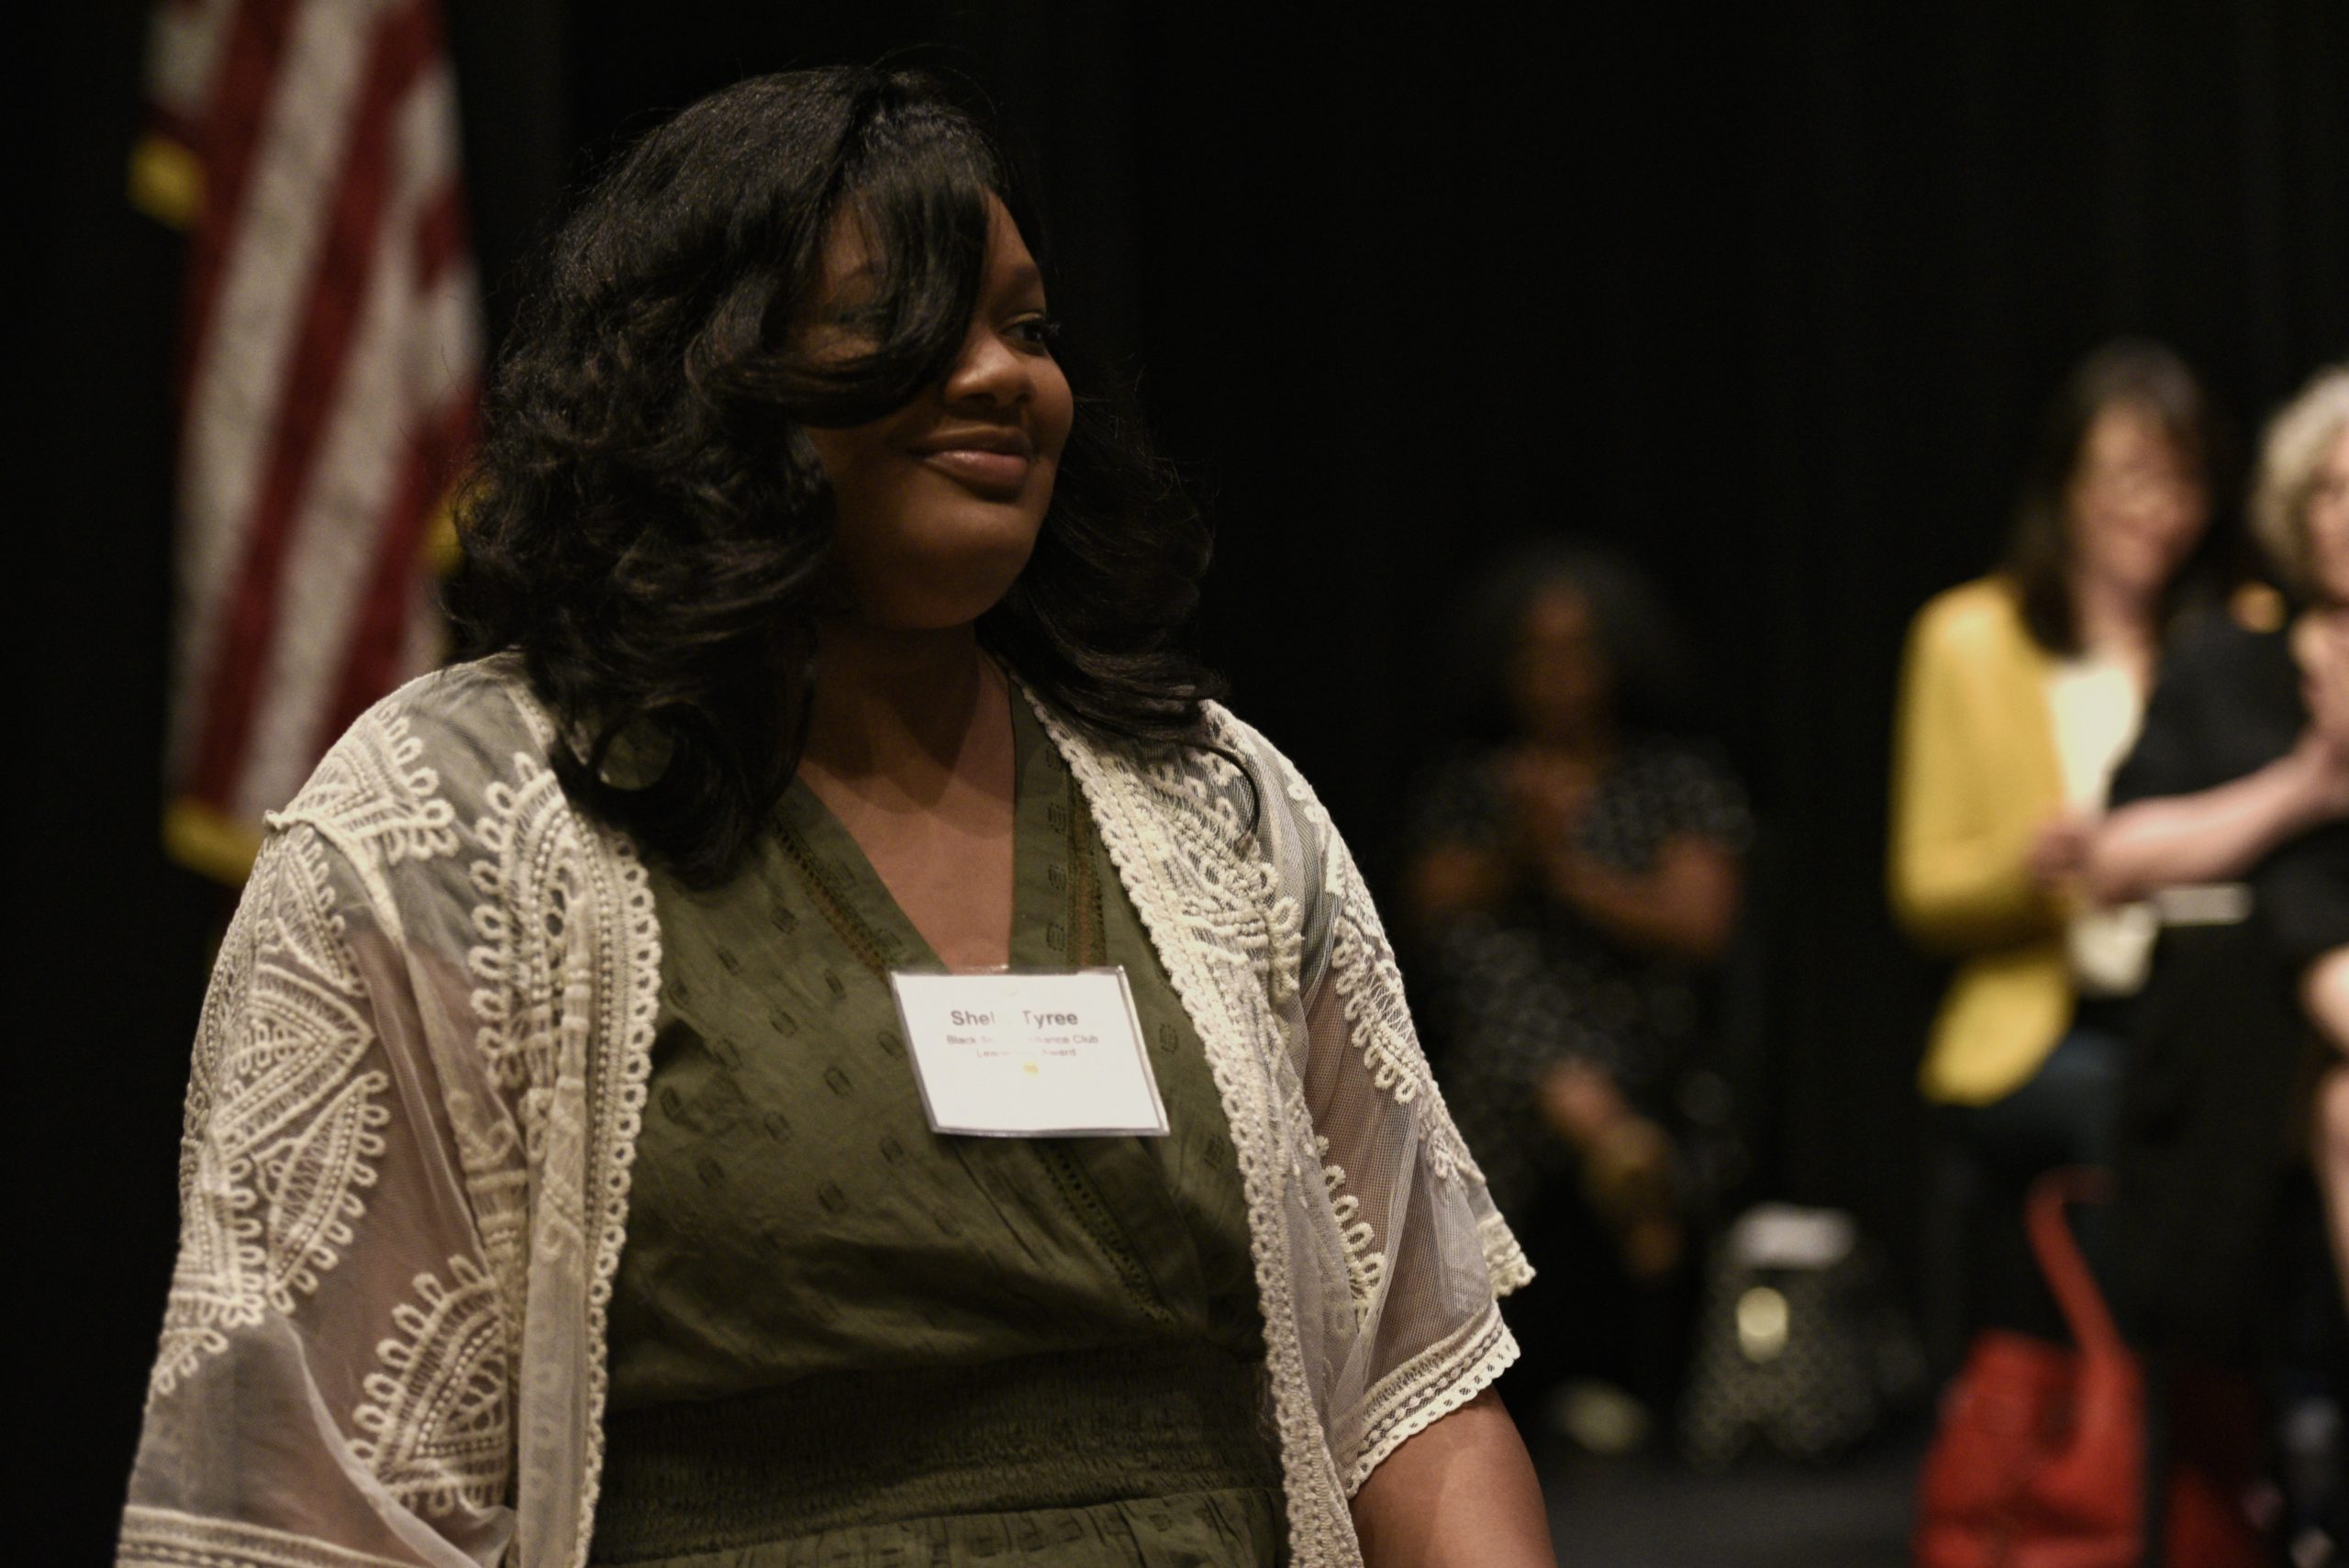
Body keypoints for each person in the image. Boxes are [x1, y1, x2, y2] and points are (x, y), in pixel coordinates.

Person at [115, 69, 1552, 1568]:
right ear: (710, 372)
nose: (1001, 374)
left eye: (1029, 326)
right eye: (910, 321)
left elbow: (1414, 1386)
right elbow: (316, 1501)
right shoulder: (450, 829)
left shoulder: (1214, 805)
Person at [1888, 340, 2232, 1345]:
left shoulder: (2228, 637)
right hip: (2046, 1024)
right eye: (2130, 475)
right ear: (2067, 485)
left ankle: (2249, 1418)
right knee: (2130, 1111)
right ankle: (2138, 1418)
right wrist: (2036, 870)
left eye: (2181, 477)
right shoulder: (1967, 638)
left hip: (2202, 1001)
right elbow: (1923, 888)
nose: (2156, 505)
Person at [1402, 543, 1750, 1440]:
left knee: (1496, 1028)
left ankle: (1596, 1128)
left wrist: (1566, 868)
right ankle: (1609, 1142)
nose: (1557, 675)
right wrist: (1514, 845)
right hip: (1516, 1059)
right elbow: (1421, 913)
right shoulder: (1476, 782)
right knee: (1483, 956)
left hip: (1645, 1036)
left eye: (1579, 651)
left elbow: (1699, 925)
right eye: (1535, 653)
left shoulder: (1675, 776)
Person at [2084, 363, 2349, 1350]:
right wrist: (2308, 786)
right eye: (2326, 487)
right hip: (2241, 1045)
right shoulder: (2227, 666)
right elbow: (2113, 859)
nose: (2344, 513)